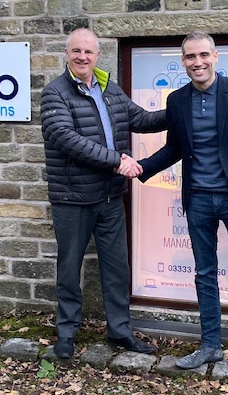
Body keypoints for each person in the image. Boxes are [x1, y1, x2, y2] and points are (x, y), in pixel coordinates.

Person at [138, 31, 228, 384]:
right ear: (183, 61)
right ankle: (210, 346)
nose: (197, 62)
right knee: (205, 275)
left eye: (203, 55)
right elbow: (175, 149)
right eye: (190, 57)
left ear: (216, 56)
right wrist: (142, 168)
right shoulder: (177, 101)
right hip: (199, 200)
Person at [40, 28, 167, 359]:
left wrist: (180, 109)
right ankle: (66, 333)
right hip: (73, 199)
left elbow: (139, 118)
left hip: (110, 198)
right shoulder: (55, 93)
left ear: (97, 55)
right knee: (70, 269)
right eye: (77, 51)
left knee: (117, 269)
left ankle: (120, 332)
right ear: (67, 54)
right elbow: (65, 138)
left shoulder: (109, 88)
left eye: (89, 52)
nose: (83, 57)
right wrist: (117, 162)